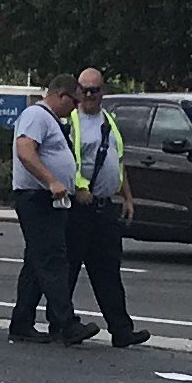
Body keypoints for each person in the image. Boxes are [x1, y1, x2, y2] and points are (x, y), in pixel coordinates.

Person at [61, 69, 148, 348]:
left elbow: (117, 160)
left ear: (103, 91)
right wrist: (80, 188)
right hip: (80, 208)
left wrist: (128, 197)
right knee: (69, 269)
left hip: (104, 207)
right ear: (77, 91)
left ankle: (122, 331)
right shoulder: (71, 122)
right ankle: (62, 325)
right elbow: (67, 161)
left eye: (94, 90)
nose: (89, 95)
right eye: (84, 90)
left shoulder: (108, 120)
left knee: (109, 271)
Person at [4, 79, 95, 346]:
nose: (76, 107)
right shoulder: (35, 116)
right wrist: (51, 180)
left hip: (47, 200)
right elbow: (25, 151)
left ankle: (21, 323)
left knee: (36, 262)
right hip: (37, 199)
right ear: (60, 95)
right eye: (74, 101)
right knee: (53, 260)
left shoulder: (50, 119)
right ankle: (66, 324)